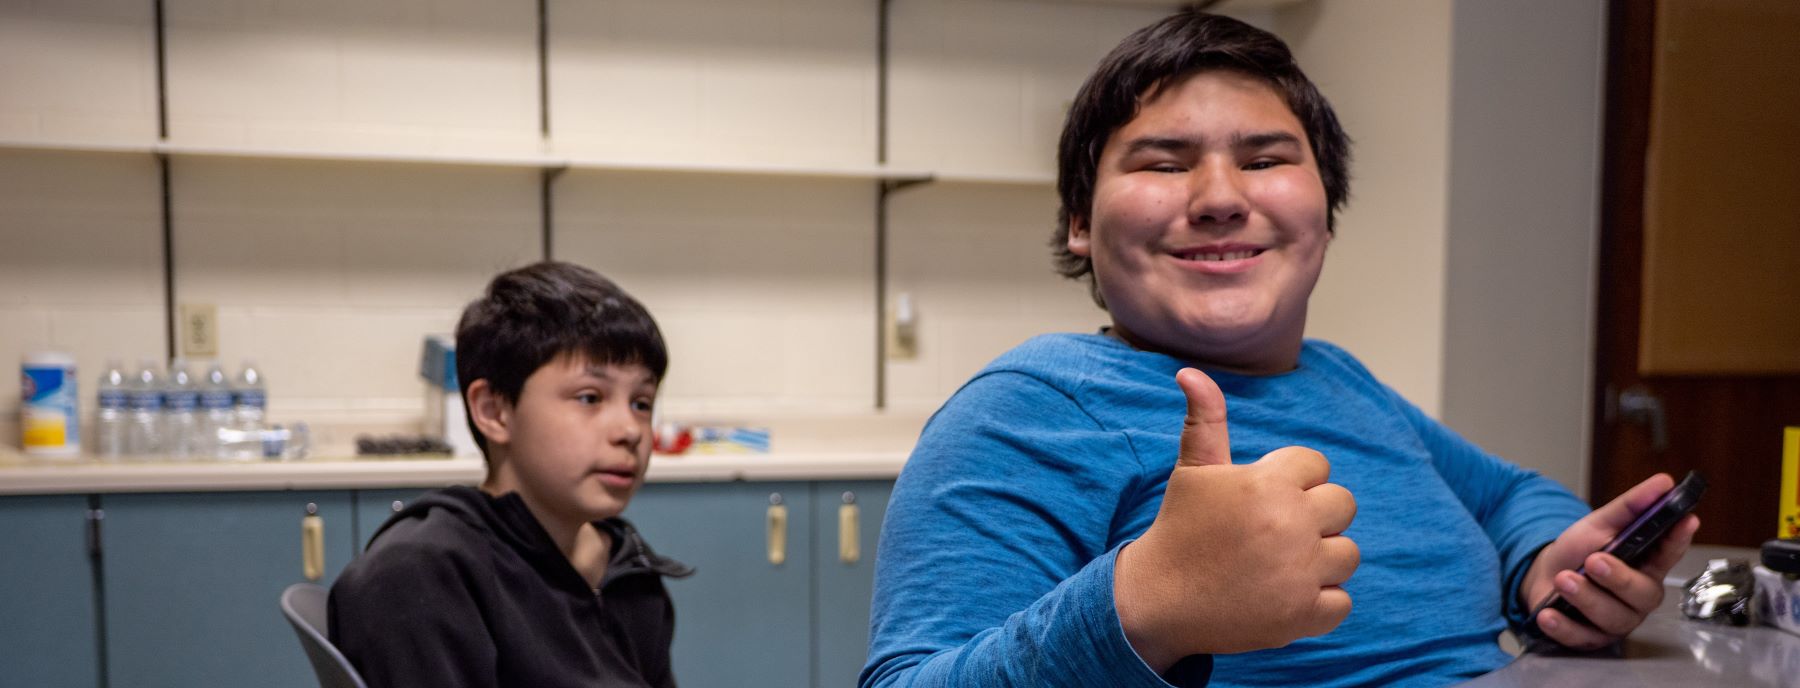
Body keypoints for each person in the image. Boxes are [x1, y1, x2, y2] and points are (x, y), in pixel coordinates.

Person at [862, 10, 1698, 688]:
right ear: (1080, 222)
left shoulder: (1340, 380)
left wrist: (1545, 561)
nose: (1221, 198)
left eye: (1265, 159)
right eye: (1161, 162)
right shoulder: (1031, 406)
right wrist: (1147, 605)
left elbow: (1508, 493)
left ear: (1323, 210)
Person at [330, 261, 692, 688]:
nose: (630, 431)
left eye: (641, 403)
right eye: (590, 397)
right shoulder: (421, 576)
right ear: (494, 411)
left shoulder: (627, 572)